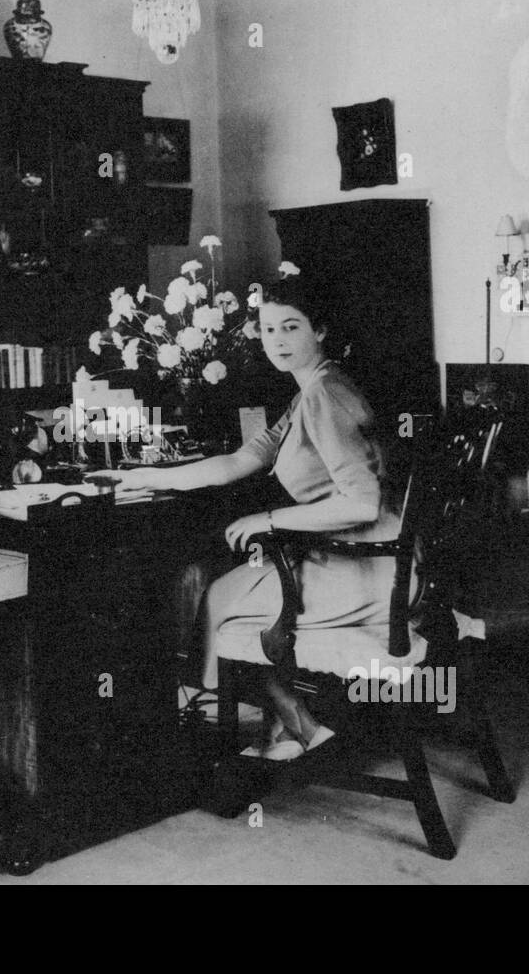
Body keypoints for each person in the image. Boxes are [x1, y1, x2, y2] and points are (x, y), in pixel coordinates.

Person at [113, 276, 396, 761]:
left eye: (291, 327)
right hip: (365, 559)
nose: (278, 341)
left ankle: (234, 728)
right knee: (227, 593)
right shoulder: (312, 388)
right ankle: (292, 726)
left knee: (219, 601)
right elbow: (239, 463)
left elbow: (362, 502)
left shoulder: (324, 394)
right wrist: (150, 477)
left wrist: (269, 518)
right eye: (268, 330)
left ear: (320, 330)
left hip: (371, 568)